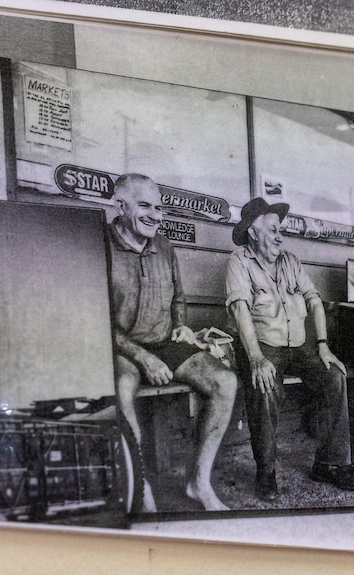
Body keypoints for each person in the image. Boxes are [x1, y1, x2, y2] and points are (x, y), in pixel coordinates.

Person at [107, 173, 237, 512]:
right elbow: (96, 318)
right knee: (122, 388)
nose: (155, 215)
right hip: (120, 346)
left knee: (225, 381)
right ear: (119, 206)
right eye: (144, 206)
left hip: (164, 341)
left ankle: (198, 483)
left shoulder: (164, 246)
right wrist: (143, 359)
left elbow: (178, 298)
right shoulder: (99, 246)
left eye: (159, 208)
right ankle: (141, 489)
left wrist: (180, 326)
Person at [225, 198, 354, 501]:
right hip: (261, 346)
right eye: (272, 230)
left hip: (297, 347)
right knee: (265, 384)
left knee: (334, 376)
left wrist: (323, 346)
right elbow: (241, 311)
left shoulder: (291, 261)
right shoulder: (239, 262)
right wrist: (256, 358)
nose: (279, 236)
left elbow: (314, 301)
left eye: (280, 230)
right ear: (253, 232)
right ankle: (266, 472)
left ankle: (330, 464)